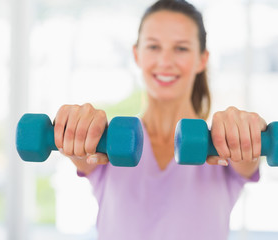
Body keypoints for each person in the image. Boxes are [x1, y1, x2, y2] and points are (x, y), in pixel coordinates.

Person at [54, 0, 267, 239]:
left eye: (181, 48)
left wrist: (248, 132)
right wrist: (75, 129)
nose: (165, 61)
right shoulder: (107, 144)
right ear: (137, 55)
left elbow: (248, 158)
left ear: (202, 59)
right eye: (154, 47)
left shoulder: (223, 146)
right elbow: (81, 155)